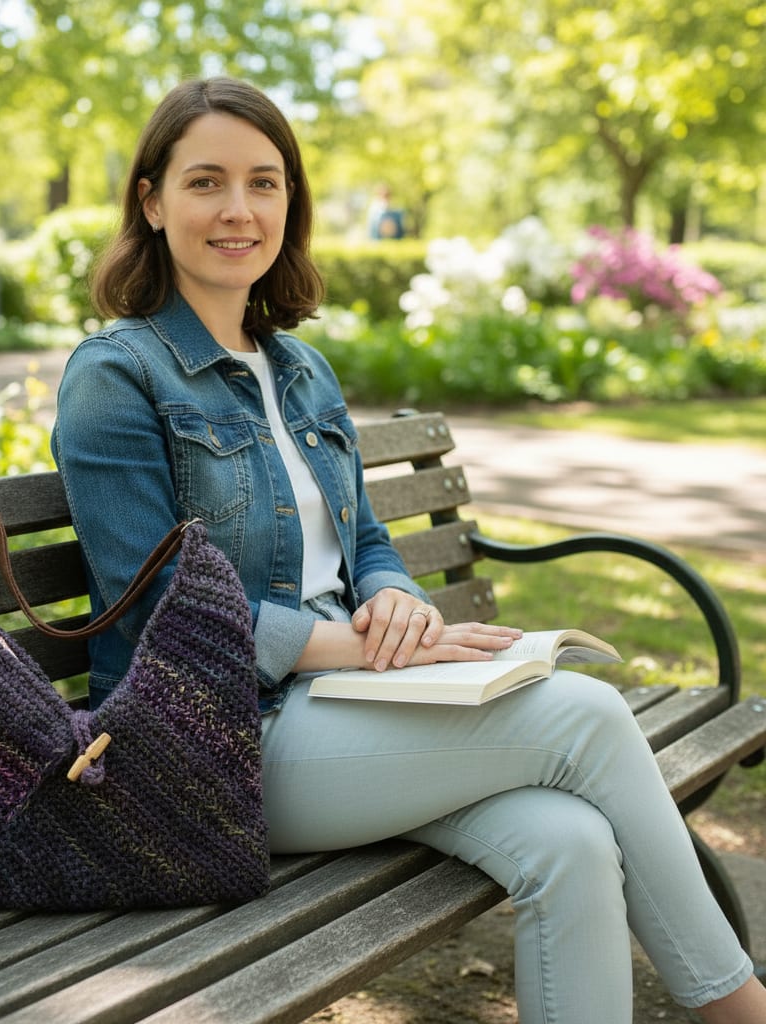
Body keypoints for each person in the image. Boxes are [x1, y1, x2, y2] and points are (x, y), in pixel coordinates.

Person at [51, 77, 766, 1023]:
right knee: (586, 719)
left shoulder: (301, 370)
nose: (239, 210)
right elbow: (155, 607)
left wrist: (394, 601)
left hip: (353, 711)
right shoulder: (115, 375)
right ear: (151, 200)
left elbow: (367, 539)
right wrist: (363, 646)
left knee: (571, 844)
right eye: (206, 182)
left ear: (290, 205)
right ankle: (739, 1008)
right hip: (225, 743)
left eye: (265, 184)